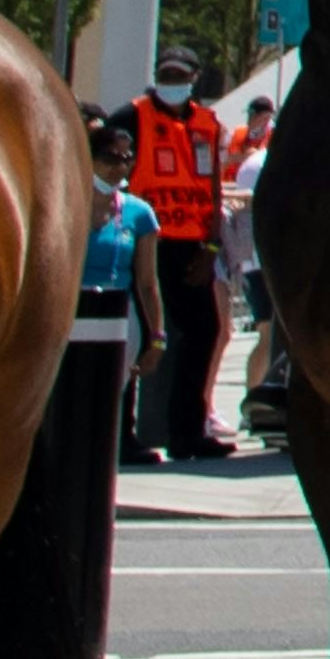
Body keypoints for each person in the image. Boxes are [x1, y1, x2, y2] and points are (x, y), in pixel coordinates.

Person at [117, 49, 235, 459]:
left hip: (192, 248)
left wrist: (213, 247)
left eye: (180, 75)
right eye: (166, 74)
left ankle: (188, 432)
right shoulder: (132, 117)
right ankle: (121, 437)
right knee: (136, 336)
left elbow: (214, 189)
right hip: (145, 242)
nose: (173, 81)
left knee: (204, 333)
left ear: (195, 78)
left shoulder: (207, 124)